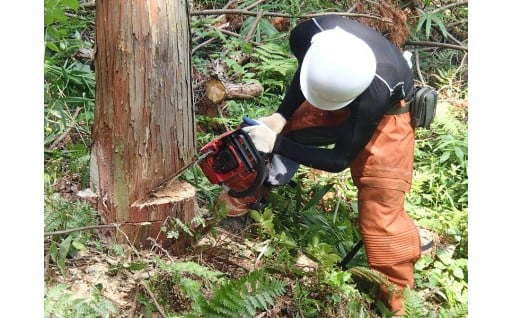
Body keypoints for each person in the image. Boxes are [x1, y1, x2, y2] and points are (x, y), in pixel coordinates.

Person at [216, 15, 424, 316]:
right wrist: (281, 116)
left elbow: (339, 160)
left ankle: (395, 304)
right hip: (334, 87)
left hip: (388, 115)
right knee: (280, 131)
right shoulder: (308, 33)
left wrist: (276, 143)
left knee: (382, 207)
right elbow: (307, 71)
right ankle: (238, 206)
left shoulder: (376, 92)